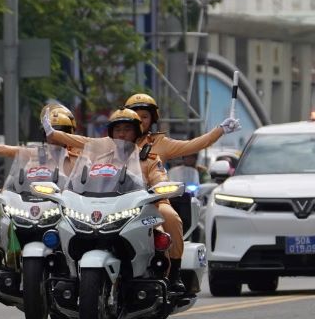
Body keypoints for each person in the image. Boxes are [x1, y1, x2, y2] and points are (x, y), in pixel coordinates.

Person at [44, 92, 239, 282]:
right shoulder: (105, 149)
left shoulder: (156, 150)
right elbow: (82, 143)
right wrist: (52, 133)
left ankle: (173, 272)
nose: (123, 134)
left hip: (150, 201)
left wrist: (220, 130)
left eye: (142, 117)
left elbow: (191, 146)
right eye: (119, 129)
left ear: (148, 121)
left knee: (169, 217)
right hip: (112, 202)